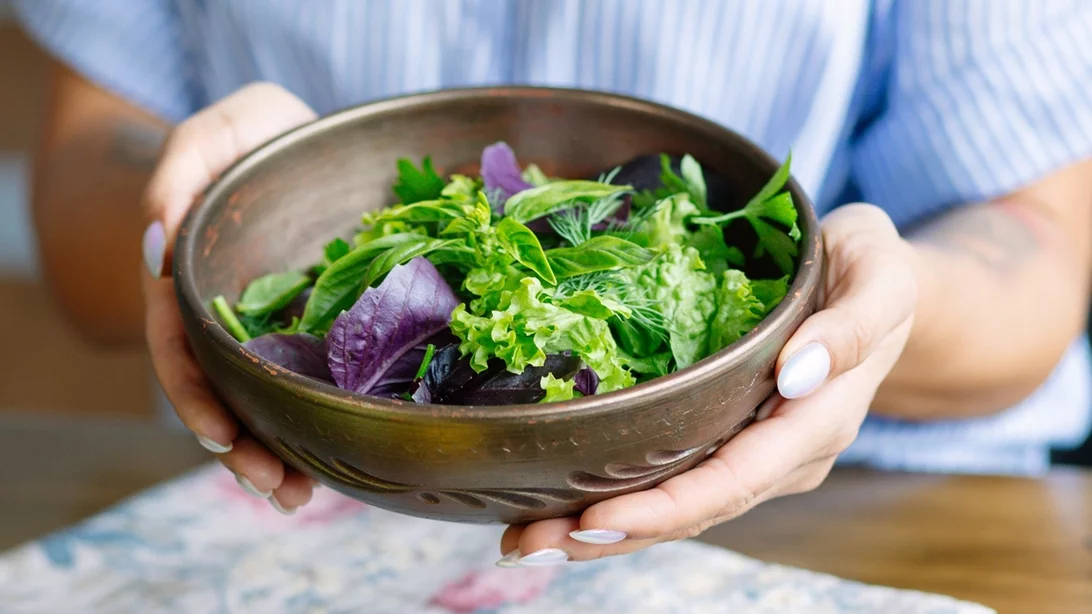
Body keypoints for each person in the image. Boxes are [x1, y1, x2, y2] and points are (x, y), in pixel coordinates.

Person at [13, 0, 1092, 567]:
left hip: (851, 516)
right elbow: (86, 191)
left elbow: (1033, 247)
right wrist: (204, 202)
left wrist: (853, 315)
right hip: (288, 503)